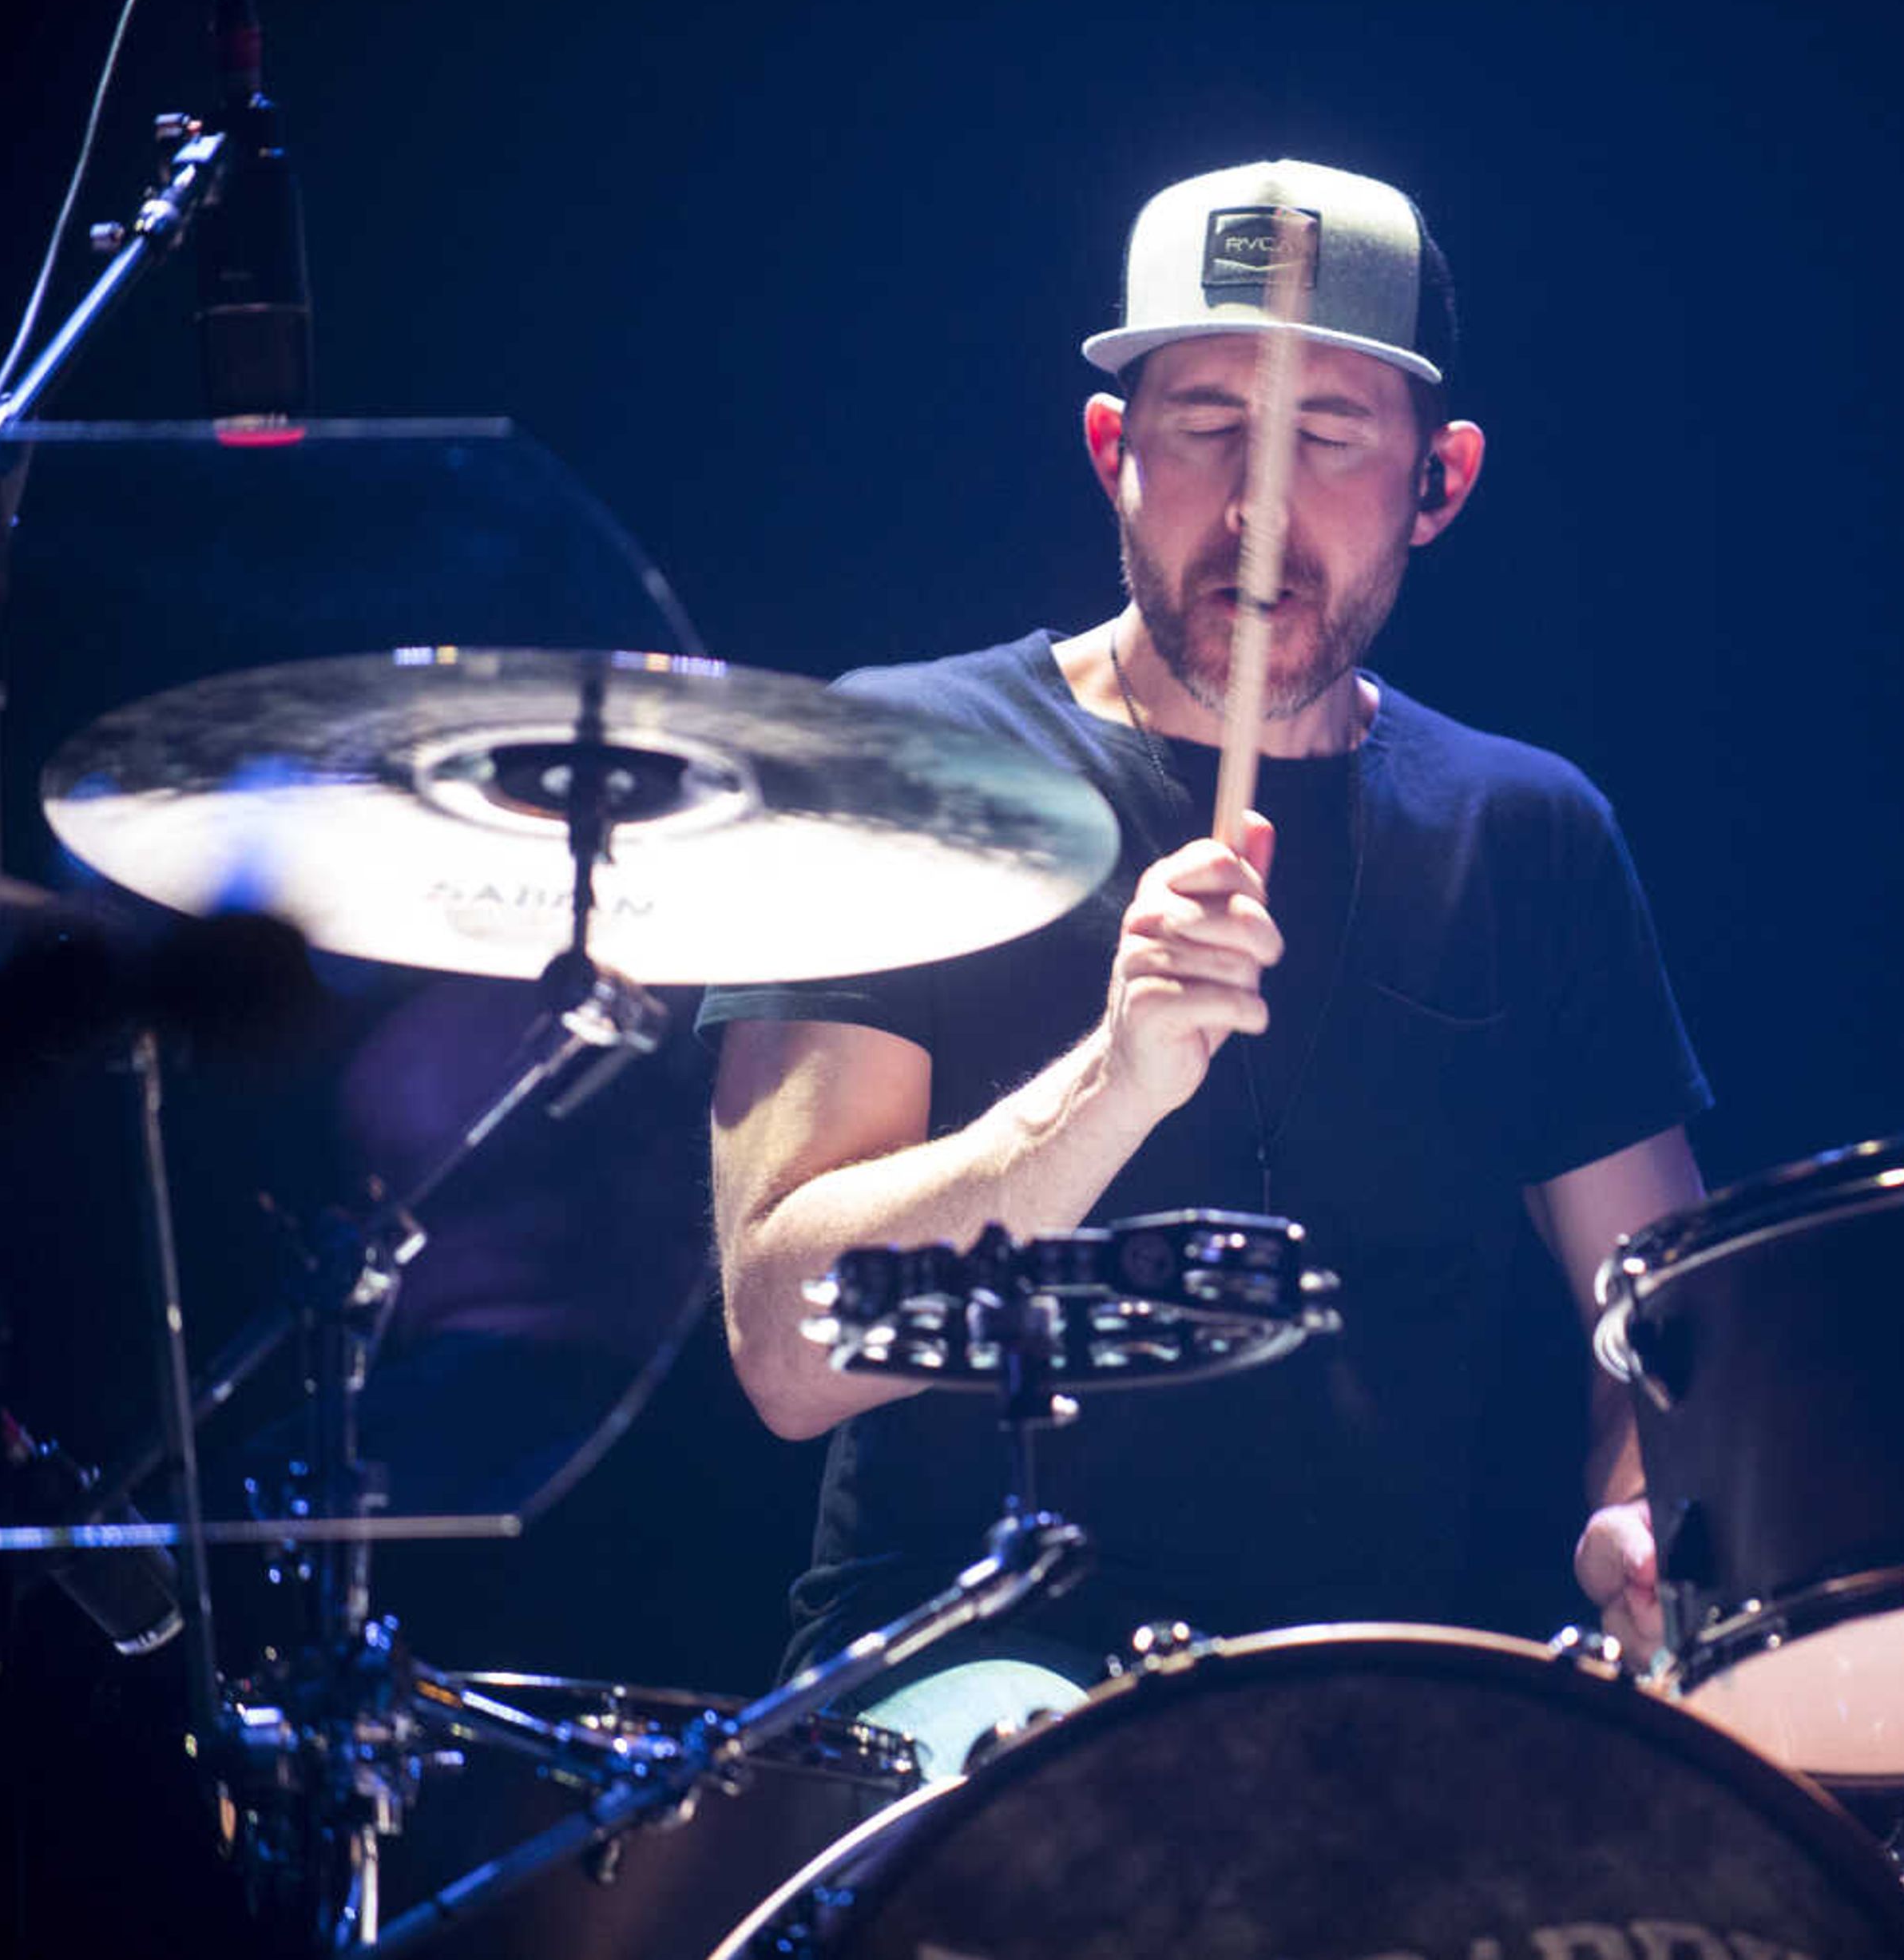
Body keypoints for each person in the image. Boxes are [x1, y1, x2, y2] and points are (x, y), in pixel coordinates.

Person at [701, 161, 1706, 1728]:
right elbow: (783, 1340)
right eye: (1207, 426)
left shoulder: (1529, 838)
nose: (1256, 504)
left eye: (1327, 436)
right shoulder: (891, 768)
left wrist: (1650, 1515)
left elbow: (1664, 1321)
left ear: (1440, 482)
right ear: (1114, 450)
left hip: (1373, 1730)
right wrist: (1104, 1088)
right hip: (959, 1711)